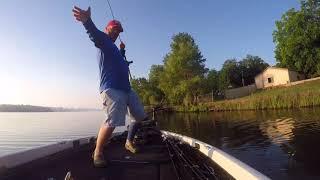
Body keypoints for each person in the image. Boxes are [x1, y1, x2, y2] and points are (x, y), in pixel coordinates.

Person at [72, 6, 146, 168]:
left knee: (139, 116)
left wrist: (123, 51)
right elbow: (94, 35)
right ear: (107, 29)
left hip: (127, 88)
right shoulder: (103, 40)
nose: (116, 32)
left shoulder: (114, 48)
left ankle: (128, 142)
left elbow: (120, 61)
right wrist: (87, 21)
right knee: (112, 122)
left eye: (119, 31)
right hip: (112, 89)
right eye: (114, 29)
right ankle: (97, 152)